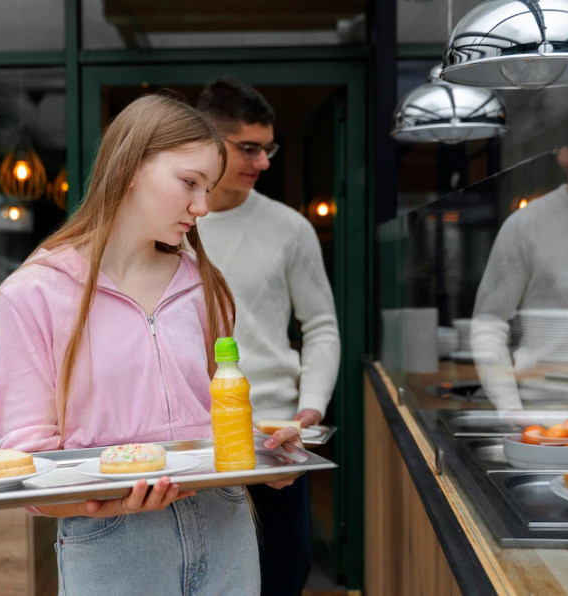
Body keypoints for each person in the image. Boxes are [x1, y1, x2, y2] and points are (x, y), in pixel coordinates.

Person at [0, 94, 302, 596]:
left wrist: (269, 456)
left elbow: (219, 415)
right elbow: (32, 472)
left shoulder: (206, 286)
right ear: (131, 167)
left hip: (226, 525)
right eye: (189, 183)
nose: (201, 207)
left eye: (208, 188)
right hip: (115, 546)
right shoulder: (31, 295)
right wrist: (107, 503)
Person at [196, 77, 341, 595]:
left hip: (276, 435)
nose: (264, 163)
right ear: (209, 143)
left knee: (283, 570)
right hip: (195, 435)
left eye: (268, 148)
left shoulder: (291, 228)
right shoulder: (171, 224)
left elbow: (321, 325)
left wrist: (313, 406)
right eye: (249, 149)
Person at [471, 126, 568, 410]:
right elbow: (488, 321)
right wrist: (509, 408)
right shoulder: (527, 224)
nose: (564, 159)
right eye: (558, 148)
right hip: (543, 410)